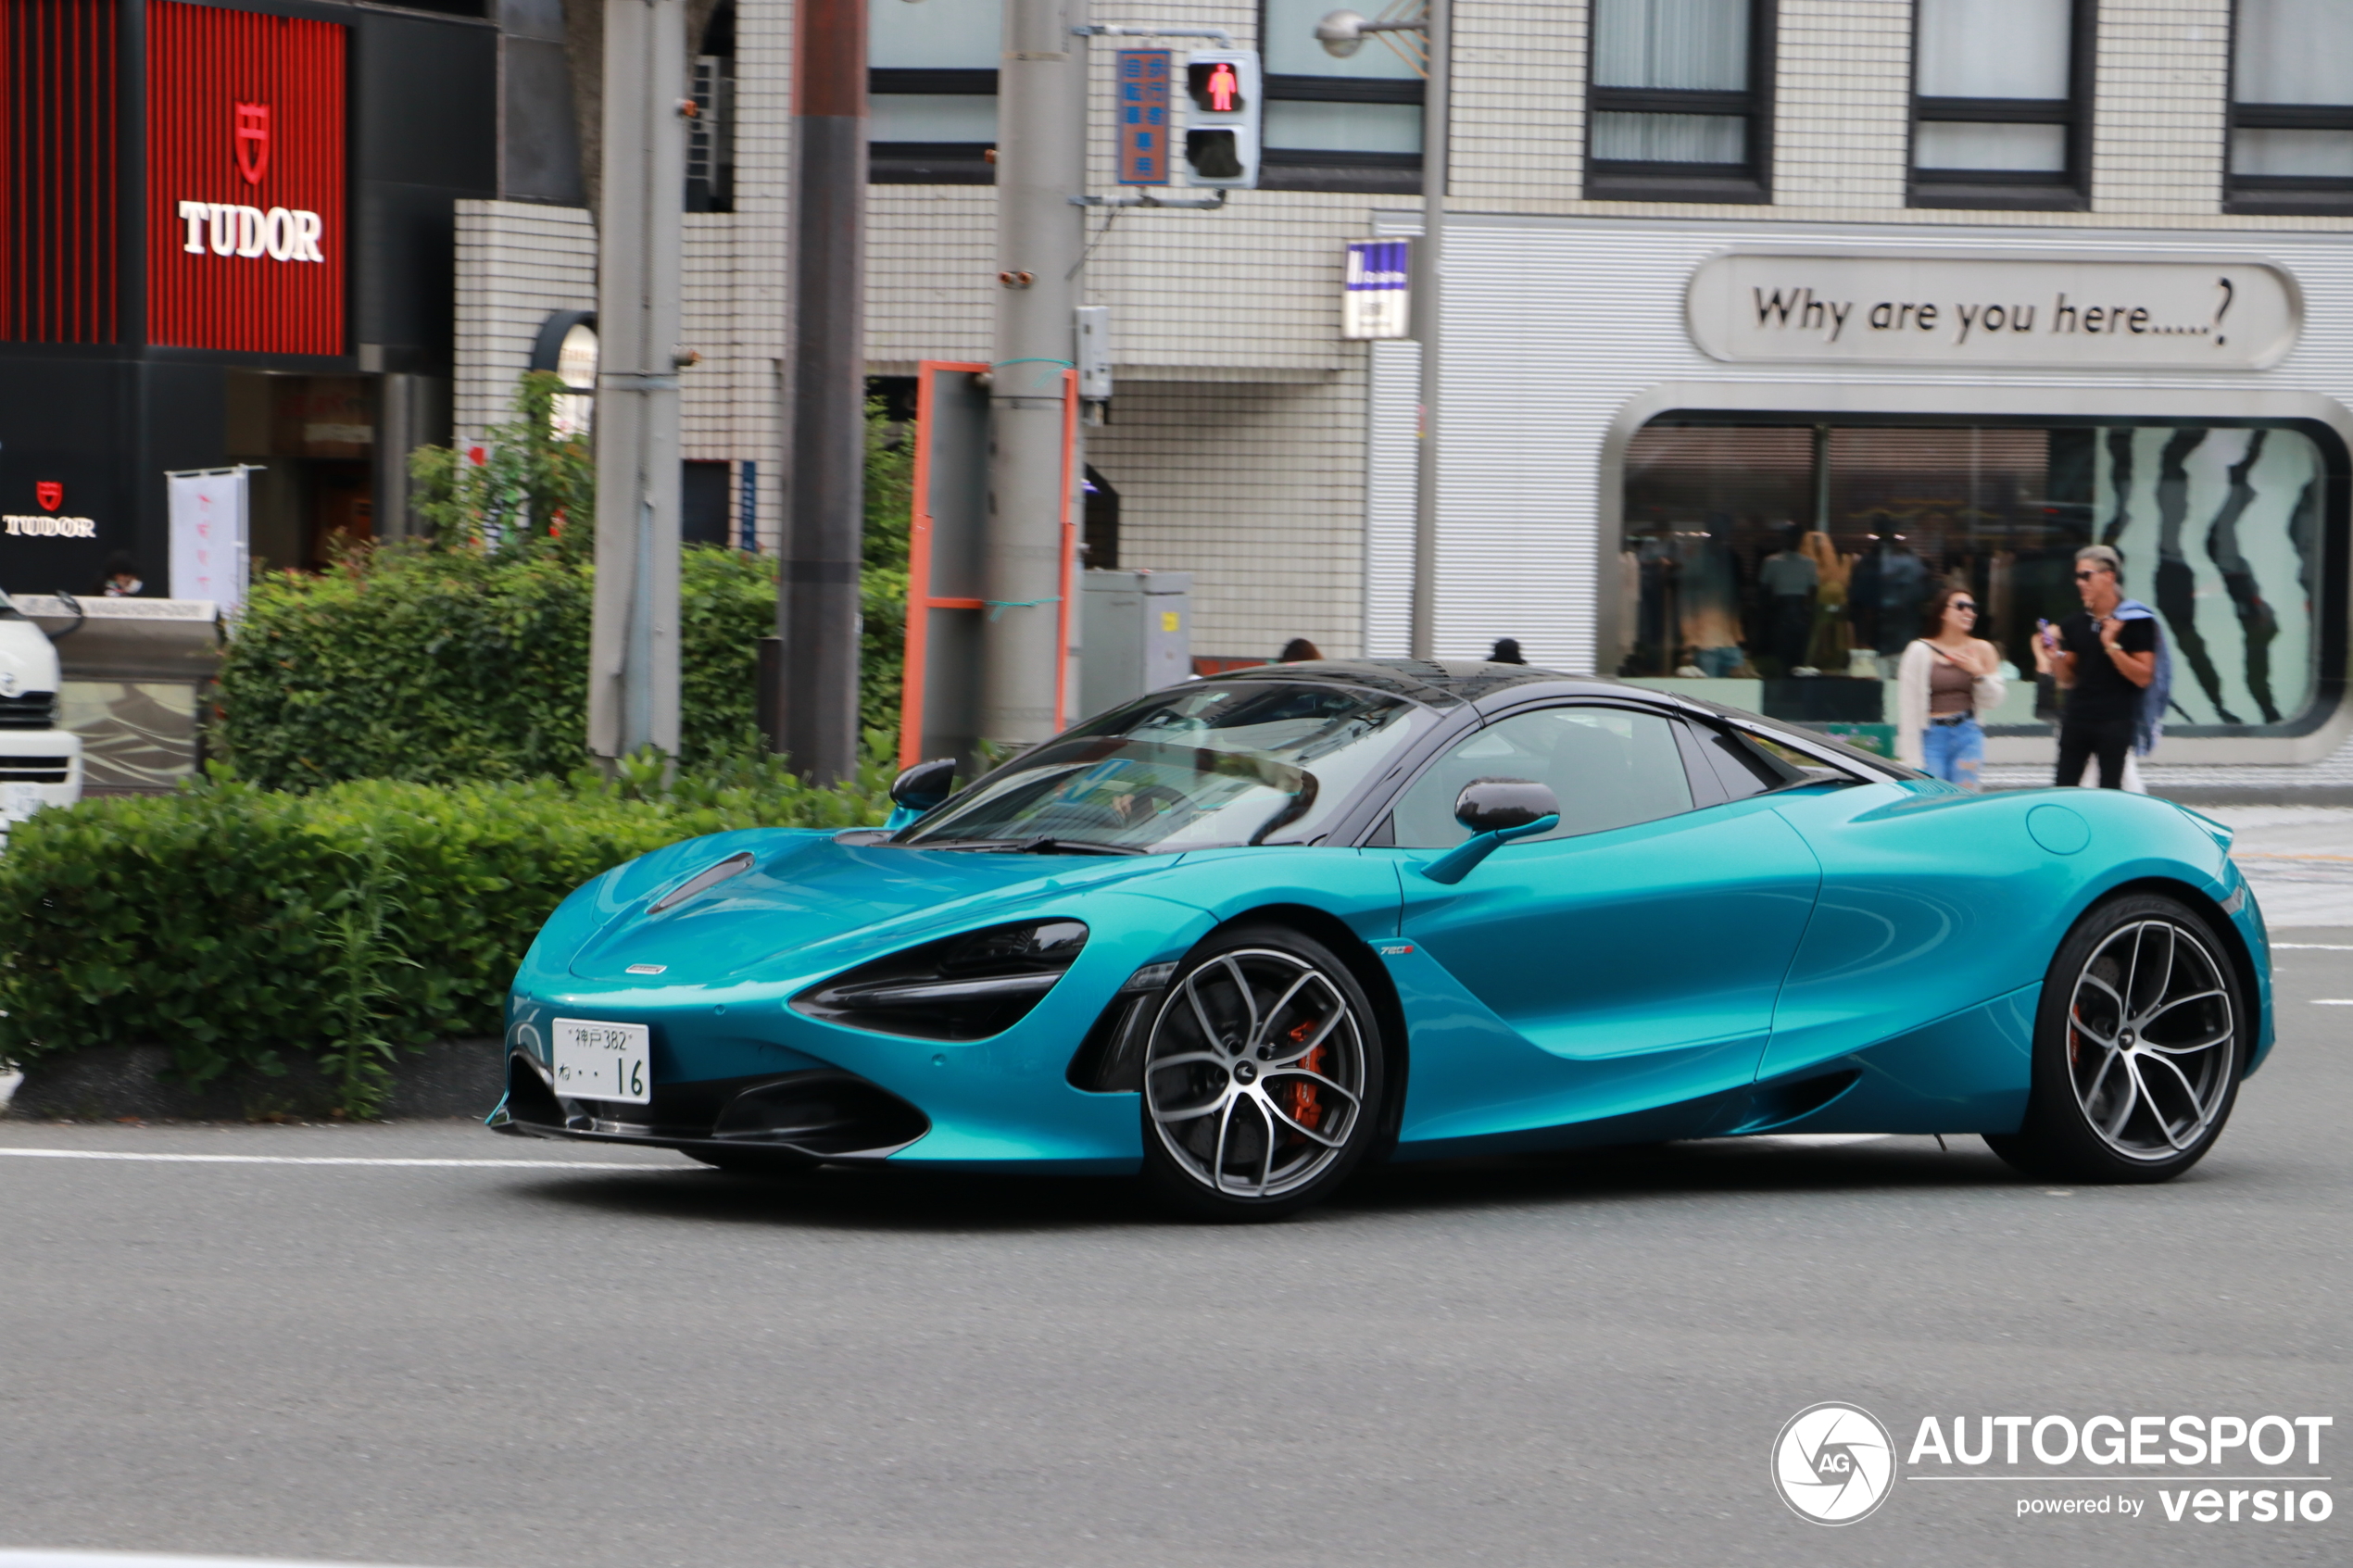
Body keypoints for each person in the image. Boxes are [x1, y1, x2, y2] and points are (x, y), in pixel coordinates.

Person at [2045, 545, 2169, 790]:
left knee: (2109, 794)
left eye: (2086, 575)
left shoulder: (2135, 622)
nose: (2080, 582)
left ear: (2108, 576)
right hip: (2077, 718)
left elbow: (2143, 676)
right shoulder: (2075, 623)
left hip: (2115, 721)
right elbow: (2067, 679)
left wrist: (2110, 645)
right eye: (2077, 576)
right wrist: (2056, 656)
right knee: (2062, 791)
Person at [1895, 586, 2005, 789]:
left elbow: (1994, 700)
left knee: (1964, 800)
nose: (1968, 612)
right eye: (1961, 606)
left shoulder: (1982, 649)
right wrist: (1909, 755)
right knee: (1931, 798)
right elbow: (1908, 706)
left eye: (1973, 608)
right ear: (1943, 613)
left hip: (1967, 733)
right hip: (1931, 736)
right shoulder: (1919, 650)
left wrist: (1978, 673)